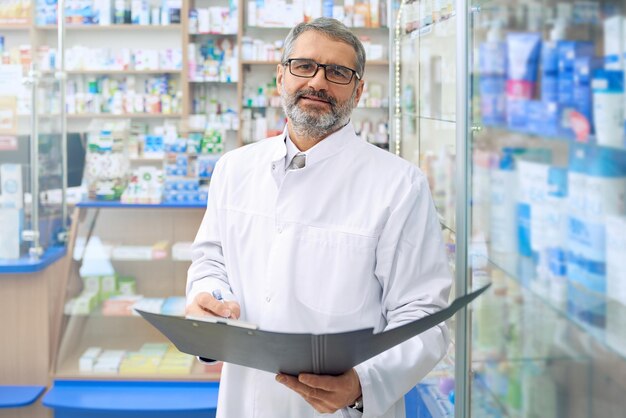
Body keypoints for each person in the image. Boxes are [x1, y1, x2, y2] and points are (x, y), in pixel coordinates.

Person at [186, 17, 452, 418]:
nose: (318, 82)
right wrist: (210, 303)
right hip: (245, 403)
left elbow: (424, 317)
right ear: (280, 77)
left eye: (338, 72)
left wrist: (363, 384)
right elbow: (210, 261)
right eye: (304, 66)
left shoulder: (399, 186)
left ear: (359, 90)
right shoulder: (234, 169)